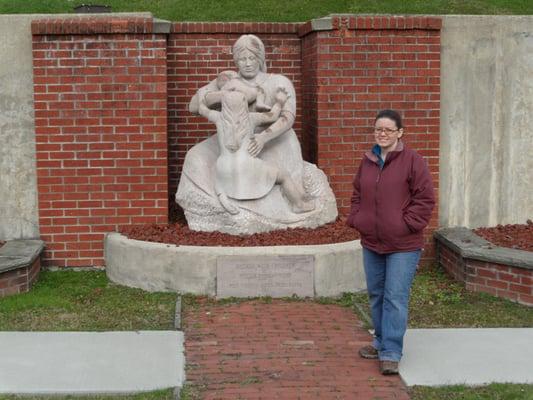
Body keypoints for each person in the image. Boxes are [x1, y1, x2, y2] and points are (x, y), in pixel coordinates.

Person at [347, 109, 435, 375]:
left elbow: (425, 199)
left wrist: (405, 224)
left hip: (404, 245)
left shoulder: (413, 161)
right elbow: (357, 193)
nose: (382, 134)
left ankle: (391, 352)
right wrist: (357, 218)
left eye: (387, 129)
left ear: (400, 133)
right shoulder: (369, 160)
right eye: (378, 129)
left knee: (395, 297)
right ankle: (380, 341)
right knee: (376, 294)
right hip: (372, 242)